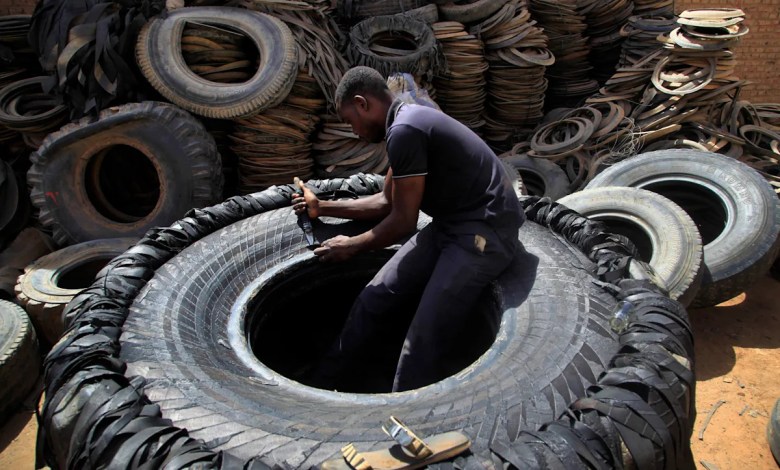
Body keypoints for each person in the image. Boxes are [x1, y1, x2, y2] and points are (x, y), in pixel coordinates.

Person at [292, 66, 524, 392]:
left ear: (362, 103)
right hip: (451, 225)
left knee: (422, 341)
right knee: (374, 297)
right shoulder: (406, 120)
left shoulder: (406, 130)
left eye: (350, 121)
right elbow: (386, 202)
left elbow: (403, 223)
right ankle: (322, 387)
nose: (354, 131)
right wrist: (323, 207)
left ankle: (401, 421)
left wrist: (352, 245)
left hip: (484, 231)